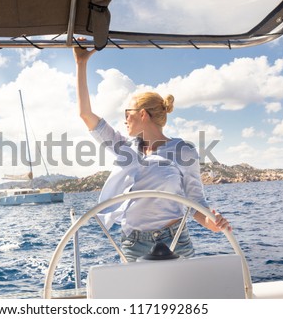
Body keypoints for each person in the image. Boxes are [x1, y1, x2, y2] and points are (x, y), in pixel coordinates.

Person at [73, 47, 231, 262]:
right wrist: (81, 64)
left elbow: (195, 202)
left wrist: (212, 222)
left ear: (142, 114)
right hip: (133, 243)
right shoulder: (125, 148)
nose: (124, 119)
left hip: (175, 241)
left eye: (126, 114)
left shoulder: (182, 150)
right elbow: (86, 114)